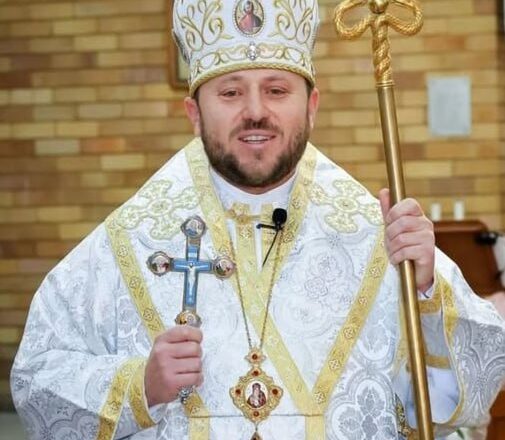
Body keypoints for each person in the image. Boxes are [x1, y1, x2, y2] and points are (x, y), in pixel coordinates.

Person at [10, 1, 505, 439]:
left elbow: (461, 399)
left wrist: (426, 293)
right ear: (194, 114)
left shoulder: (374, 234)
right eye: (230, 93)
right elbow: (36, 381)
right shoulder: (131, 240)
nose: (255, 112)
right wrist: (139, 386)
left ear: (312, 107)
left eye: (276, 90)